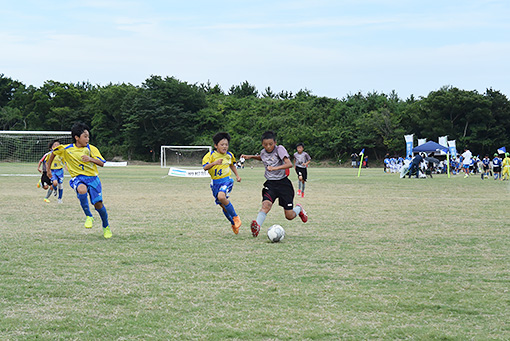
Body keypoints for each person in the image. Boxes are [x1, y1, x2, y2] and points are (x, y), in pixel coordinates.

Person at [47, 122, 112, 239]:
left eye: (88, 136)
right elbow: (53, 153)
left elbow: (102, 163)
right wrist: (48, 170)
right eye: (85, 136)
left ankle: (106, 226)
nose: (88, 139)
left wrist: (90, 159)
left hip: (93, 179)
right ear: (77, 137)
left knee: (98, 204)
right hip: (78, 178)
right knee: (81, 189)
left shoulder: (91, 149)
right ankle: (89, 216)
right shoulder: (66, 149)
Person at [241, 131, 308, 238]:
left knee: (289, 216)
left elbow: (289, 164)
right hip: (270, 184)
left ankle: (299, 209)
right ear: (262, 144)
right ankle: (257, 226)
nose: (268, 147)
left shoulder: (279, 149)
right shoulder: (263, 152)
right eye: (265, 144)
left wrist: (274, 168)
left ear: (275, 142)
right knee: (265, 205)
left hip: (283, 184)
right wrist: (251, 157)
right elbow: (262, 157)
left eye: (270, 144)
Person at [202, 132, 242, 234]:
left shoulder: (229, 155)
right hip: (215, 183)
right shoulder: (211, 155)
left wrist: (237, 175)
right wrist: (214, 163)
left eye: (226, 144)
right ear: (216, 145)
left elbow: (232, 165)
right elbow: (205, 167)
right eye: (222, 144)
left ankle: (235, 217)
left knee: (221, 197)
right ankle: (233, 223)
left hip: (226, 181)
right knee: (223, 205)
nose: (225, 147)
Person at [45, 139, 65, 204]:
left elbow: (64, 161)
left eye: (58, 145)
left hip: (60, 171)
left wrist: (67, 166)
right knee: (55, 183)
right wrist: (48, 169)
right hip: (52, 170)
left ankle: (60, 199)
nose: (56, 146)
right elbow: (46, 161)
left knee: (60, 185)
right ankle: (55, 190)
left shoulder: (61, 154)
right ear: (52, 146)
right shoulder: (49, 154)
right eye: (55, 145)